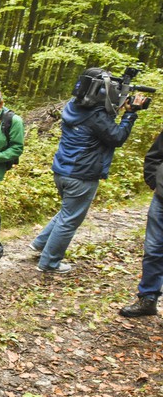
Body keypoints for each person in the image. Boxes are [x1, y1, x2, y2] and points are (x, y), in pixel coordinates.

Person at [31, 67, 147, 274]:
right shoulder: (97, 117)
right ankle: (49, 263)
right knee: (70, 219)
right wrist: (130, 115)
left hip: (62, 170)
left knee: (67, 211)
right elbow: (117, 137)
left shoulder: (72, 107)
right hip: (81, 174)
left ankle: (40, 244)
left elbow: (100, 123)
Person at [120, 130, 163, 317]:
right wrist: (156, 182)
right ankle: (147, 299)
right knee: (153, 249)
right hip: (161, 199)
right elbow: (154, 155)